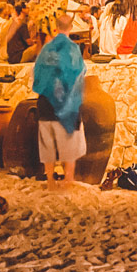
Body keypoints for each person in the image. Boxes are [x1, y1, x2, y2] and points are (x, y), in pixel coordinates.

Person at [33, 14, 87, 190]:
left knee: (47, 143)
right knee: (69, 145)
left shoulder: (46, 49)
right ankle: (68, 180)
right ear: (71, 27)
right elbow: (78, 74)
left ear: (56, 27)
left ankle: (50, 181)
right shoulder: (72, 49)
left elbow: (37, 76)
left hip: (45, 102)